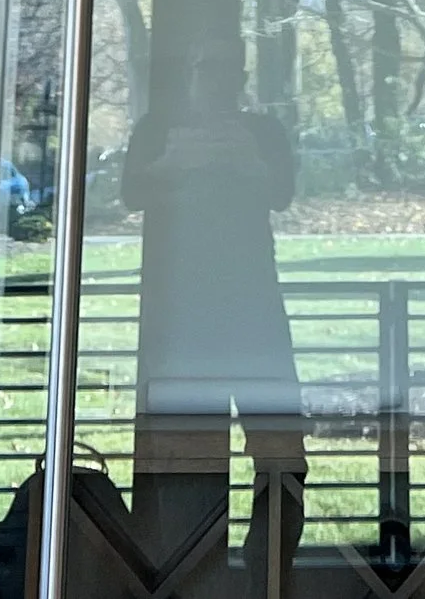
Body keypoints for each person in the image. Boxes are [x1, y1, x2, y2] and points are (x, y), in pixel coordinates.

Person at [123, 36, 307, 578]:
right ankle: (182, 571)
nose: (221, 81)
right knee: (182, 455)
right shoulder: (157, 132)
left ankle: (267, 568)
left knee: (283, 449)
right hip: (184, 313)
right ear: (192, 74)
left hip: (254, 310)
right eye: (210, 68)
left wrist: (244, 159)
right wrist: (175, 163)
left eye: (231, 71)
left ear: (242, 78)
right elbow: (131, 193)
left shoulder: (262, 132)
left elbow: (282, 192)